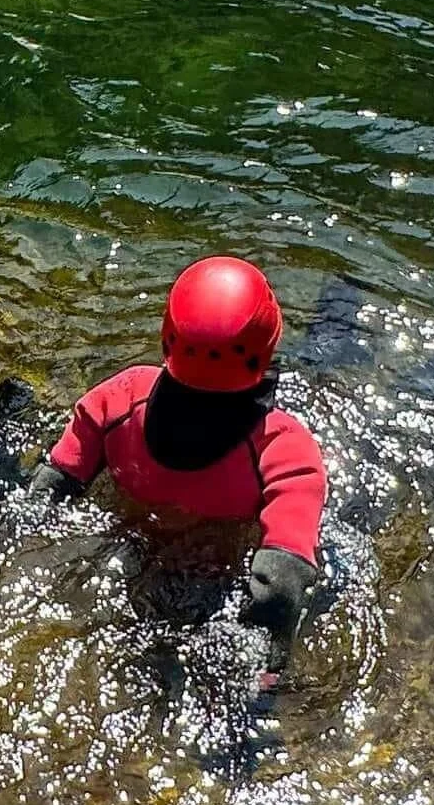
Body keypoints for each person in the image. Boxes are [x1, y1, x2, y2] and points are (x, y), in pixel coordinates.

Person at [38, 256, 326, 656]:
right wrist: (269, 667)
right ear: (265, 348)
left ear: (167, 336)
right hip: (209, 588)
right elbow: (283, 578)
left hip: (122, 563)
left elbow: (52, 485)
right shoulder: (283, 446)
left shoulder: (118, 398)